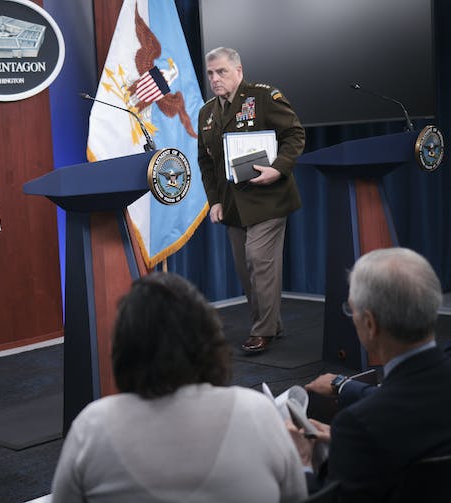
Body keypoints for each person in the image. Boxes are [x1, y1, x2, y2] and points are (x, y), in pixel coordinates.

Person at [51, 272, 307, 502]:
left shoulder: (92, 426)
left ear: (124, 349)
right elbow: (296, 496)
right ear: (209, 337)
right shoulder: (257, 412)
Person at [289, 248, 451, 501]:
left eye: (351, 310)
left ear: (370, 324)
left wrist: (303, 462)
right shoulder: (363, 429)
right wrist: (346, 445)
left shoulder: (361, 424)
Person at [197, 47, 305, 354]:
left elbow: (295, 135)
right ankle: (274, 323)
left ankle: (263, 331)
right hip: (233, 205)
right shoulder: (206, 113)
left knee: (259, 261)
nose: (215, 79)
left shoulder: (263, 98)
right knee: (247, 271)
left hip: (269, 198)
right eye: (210, 73)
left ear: (239, 71)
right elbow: (206, 164)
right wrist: (214, 202)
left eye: (221, 72)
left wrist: (278, 169)